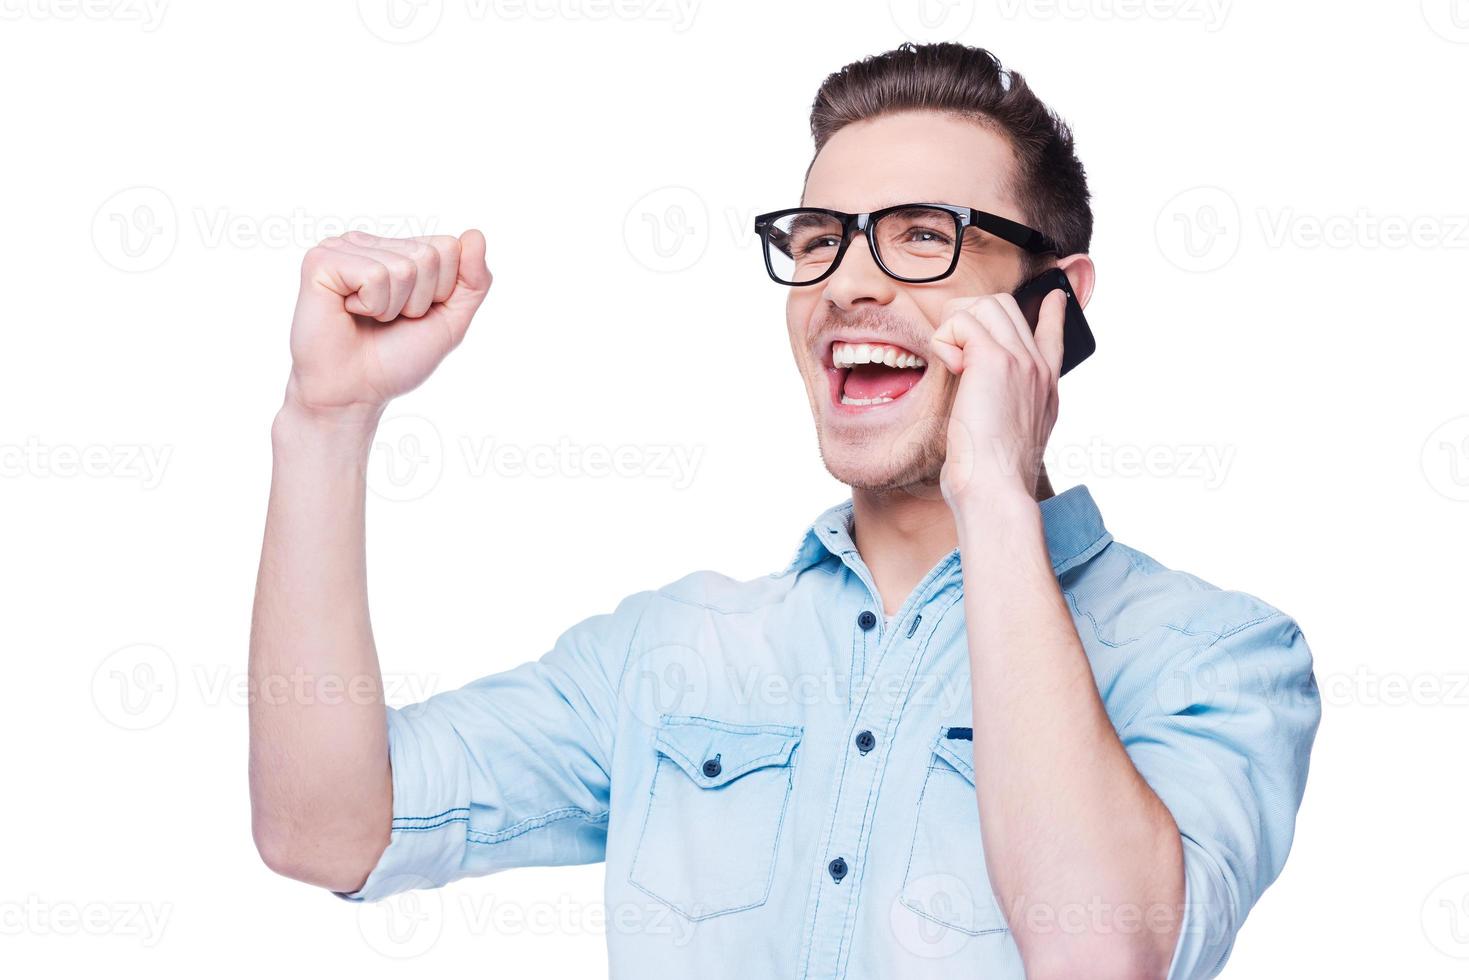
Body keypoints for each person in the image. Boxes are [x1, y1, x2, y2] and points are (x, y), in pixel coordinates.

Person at [248, 41, 1320, 980]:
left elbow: (1096, 954)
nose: (846, 280)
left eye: (918, 234)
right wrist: (323, 422)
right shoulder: (669, 649)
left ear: (1057, 304)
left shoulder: (1216, 656)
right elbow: (325, 829)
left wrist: (991, 488)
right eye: (818, 238)